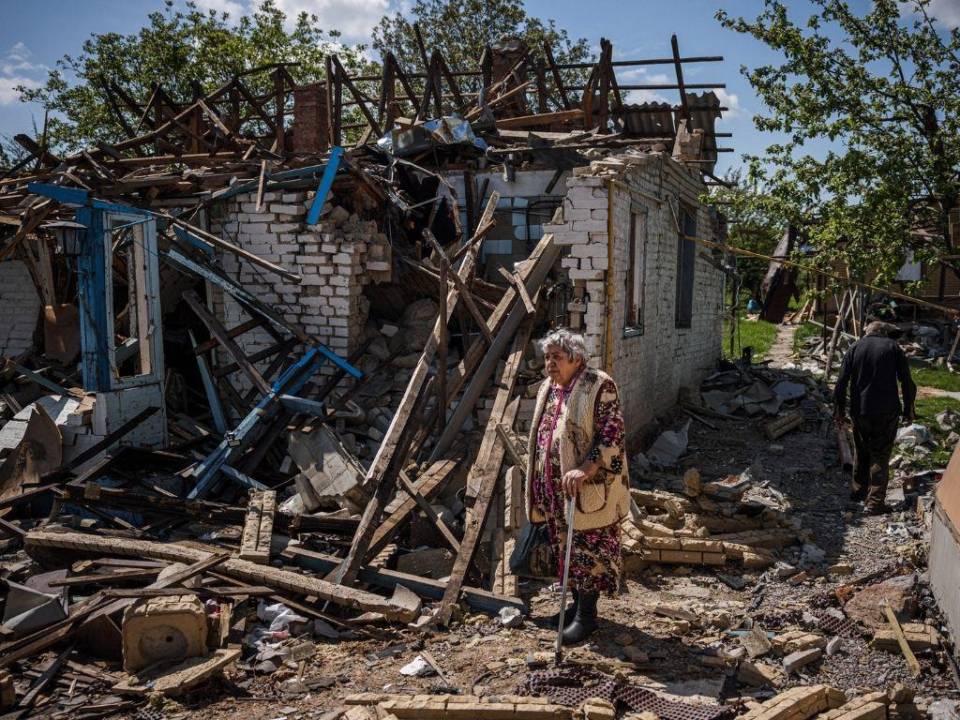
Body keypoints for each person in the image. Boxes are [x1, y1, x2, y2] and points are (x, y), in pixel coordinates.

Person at [525, 329, 629, 643]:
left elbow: (613, 435)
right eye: (547, 357)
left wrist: (585, 468)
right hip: (556, 490)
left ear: (576, 358)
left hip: (588, 488)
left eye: (556, 357)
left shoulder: (598, 385)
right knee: (566, 548)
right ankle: (574, 606)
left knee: (589, 551)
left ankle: (587, 617)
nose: (549, 364)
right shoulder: (550, 387)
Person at [834, 320, 916, 514]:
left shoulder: (855, 347)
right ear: (883, 333)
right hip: (887, 411)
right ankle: (875, 503)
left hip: (860, 410)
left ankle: (858, 493)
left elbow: (841, 382)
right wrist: (909, 409)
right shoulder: (892, 347)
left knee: (861, 451)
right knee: (880, 454)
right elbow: (907, 382)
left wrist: (839, 410)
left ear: (868, 332)